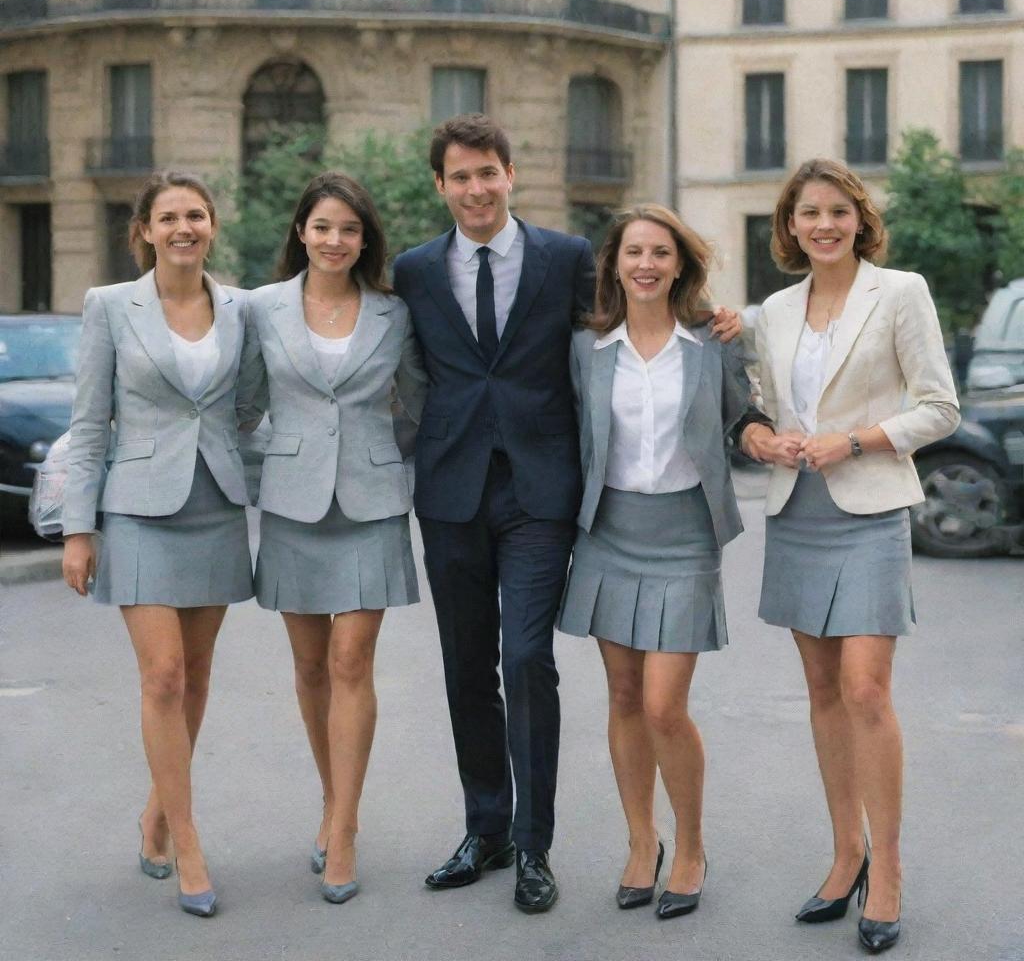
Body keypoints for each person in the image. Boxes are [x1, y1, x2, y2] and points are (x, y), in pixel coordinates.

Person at [393, 115, 741, 912]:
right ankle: (486, 829)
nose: (476, 188)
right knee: (466, 668)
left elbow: (639, 313)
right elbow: (401, 362)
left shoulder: (567, 257)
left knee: (526, 660)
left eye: (489, 172)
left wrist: (716, 320)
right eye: (460, 176)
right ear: (441, 186)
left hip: (542, 496)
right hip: (450, 493)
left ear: (511, 174)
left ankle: (533, 849)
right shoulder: (415, 271)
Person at [741, 159, 959, 953]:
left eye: (837, 211)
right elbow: (761, 403)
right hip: (798, 511)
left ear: (858, 219)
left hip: (869, 510)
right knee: (824, 694)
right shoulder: (773, 309)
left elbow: (940, 406)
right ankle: (845, 856)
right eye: (808, 213)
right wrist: (766, 436)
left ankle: (889, 872)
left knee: (867, 692)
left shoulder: (900, 292)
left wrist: (857, 439)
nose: (823, 224)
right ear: (790, 227)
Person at [62, 171, 256, 918]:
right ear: (144, 229)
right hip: (137, 508)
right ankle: (190, 843)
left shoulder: (239, 308)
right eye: (168, 216)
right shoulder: (110, 306)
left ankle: (155, 815)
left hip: (215, 505)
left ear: (212, 225)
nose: (184, 228)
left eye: (196, 215)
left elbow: (248, 407)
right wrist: (81, 529)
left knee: (198, 677)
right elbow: (89, 426)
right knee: (164, 676)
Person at [557, 205, 755, 919]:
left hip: (684, 533)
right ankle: (643, 842)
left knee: (665, 705)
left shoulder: (713, 342)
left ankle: (693, 846)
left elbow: (745, 414)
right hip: (610, 530)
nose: (646, 264)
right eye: (633, 251)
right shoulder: (587, 347)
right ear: (613, 263)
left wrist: (769, 437)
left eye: (660, 253)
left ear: (680, 265)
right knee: (621, 697)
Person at [240, 172, 426, 904]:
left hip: (372, 499)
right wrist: (283, 453)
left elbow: (416, 401)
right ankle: (330, 800)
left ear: (364, 238)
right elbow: (243, 401)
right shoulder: (260, 309)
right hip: (292, 503)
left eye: (349, 229)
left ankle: (344, 827)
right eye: (322, 227)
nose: (335, 241)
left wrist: (379, 450)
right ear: (301, 233)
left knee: (353, 662)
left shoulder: (394, 313)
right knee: (311, 667)